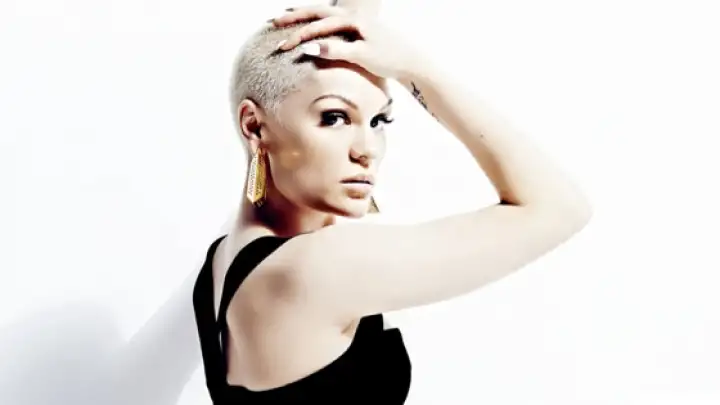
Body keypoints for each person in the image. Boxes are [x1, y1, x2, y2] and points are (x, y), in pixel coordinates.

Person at [192, 1, 592, 403]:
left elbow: (354, 20)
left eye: (378, 121)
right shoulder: (319, 268)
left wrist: (359, 22)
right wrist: (415, 69)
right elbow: (559, 208)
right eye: (334, 117)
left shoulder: (226, 258)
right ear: (254, 126)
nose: (367, 149)